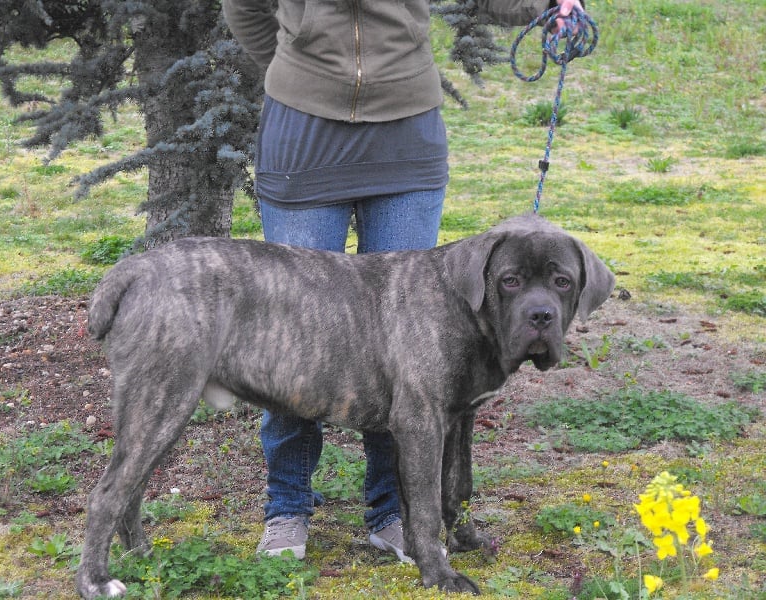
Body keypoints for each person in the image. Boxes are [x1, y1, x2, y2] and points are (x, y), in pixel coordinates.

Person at [222, 0, 582, 561]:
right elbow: (244, 7)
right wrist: (300, 70)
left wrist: (547, 6)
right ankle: (287, 508)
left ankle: (394, 511)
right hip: (302, 135)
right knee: (293, 338)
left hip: (406, 139)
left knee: (411, 349)